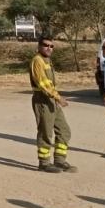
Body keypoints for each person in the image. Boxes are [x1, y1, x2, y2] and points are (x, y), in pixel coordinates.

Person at [29, 37, 76, 173]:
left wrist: (56, 97)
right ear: (39, 46)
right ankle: (44, 163)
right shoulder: (37, 60)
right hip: (43, 99)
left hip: (52, 100)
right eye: (45, 45)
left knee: (64, 130)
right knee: (45, 132)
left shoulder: (47, 60)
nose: (49, 48)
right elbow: (42, 83)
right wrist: (58, 97)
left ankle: (59, 160)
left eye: (51, 46)